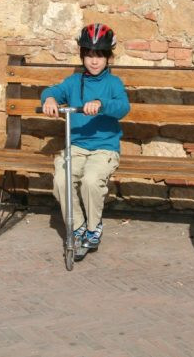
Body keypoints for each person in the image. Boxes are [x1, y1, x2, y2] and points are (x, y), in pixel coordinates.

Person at [41, 23, 130, 251]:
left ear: (108, 57)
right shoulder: (73, 83)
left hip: (104, 148)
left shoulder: (113, 83)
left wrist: (102, 104)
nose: (94, 61)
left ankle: (93, 227)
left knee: (91, 181)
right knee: (61, 180)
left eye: (99, 55)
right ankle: (79, 226)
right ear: (82, 56)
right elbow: (51, 91)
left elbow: (123, 107)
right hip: (77, 146)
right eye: (89, 55)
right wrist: (49, 100)